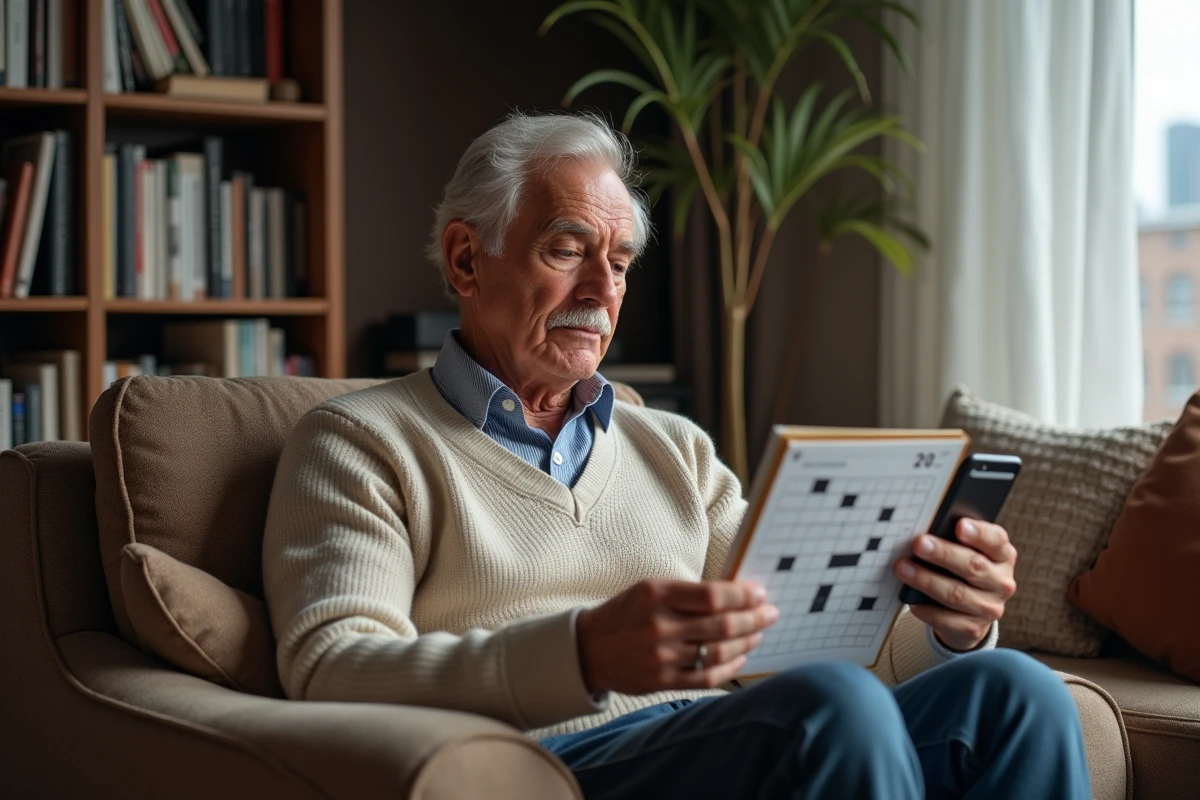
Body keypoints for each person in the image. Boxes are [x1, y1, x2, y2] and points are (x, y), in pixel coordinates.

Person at [262, 111, 1090, 799]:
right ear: (467, 259)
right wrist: (582, 654)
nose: (601, 290)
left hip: (717, 738)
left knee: (1017, 694)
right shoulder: (359, 441)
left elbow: (803, 644)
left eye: (618, 263)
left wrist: (951, 624)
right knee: (826, 710)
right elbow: (332, 668)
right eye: (567, 249)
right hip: (550, 765)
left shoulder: (674, 448)